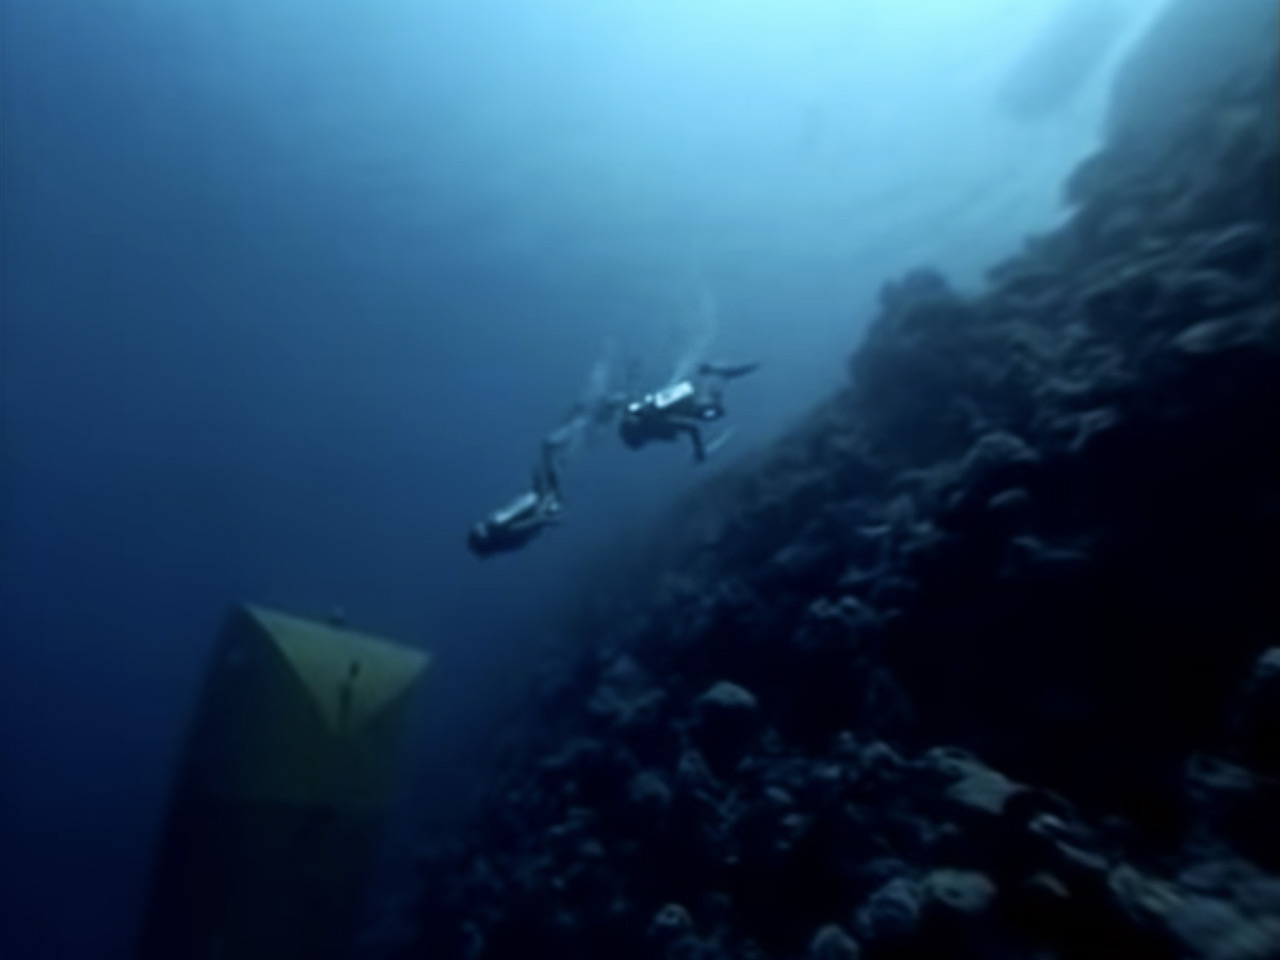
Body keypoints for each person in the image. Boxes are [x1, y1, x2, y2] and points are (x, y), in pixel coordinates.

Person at [618, 361, 758, 463]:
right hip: (688, 395)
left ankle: (716, 373)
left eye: (643, 439)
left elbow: (691, 428)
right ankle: (714, 374)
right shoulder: (646, 413)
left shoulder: (653, 420)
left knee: (714, 411)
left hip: (693, 400)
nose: (648, 441)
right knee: (711, 409)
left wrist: (699, 450)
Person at [466, 432, 568, 557]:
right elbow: (529, 522)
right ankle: (556, 447)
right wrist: (546, 517)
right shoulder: (497, 528)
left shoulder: (501, 538)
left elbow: (521, 514)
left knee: (550, 462)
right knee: (548, 453)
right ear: (483, 538)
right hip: (545, 502)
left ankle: (557, 449)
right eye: (477, 532)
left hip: (544, 502)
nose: (478, 526)